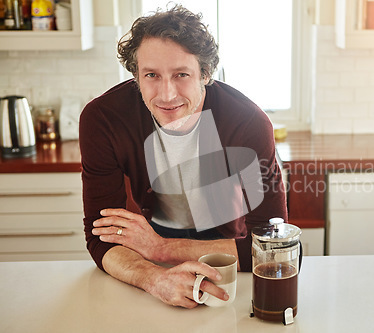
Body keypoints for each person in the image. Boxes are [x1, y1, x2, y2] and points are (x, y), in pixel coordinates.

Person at [79, 4, 287, 309]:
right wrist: (155, 278)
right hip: (150, 254)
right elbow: (101, 237)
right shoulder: (103, 119)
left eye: (181, 74)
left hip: (229, 257)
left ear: (204, 73)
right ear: (135, 75)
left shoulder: (246, 122)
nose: (166, 94)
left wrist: (161, 249)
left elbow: (271, 246)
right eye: (151, 75)